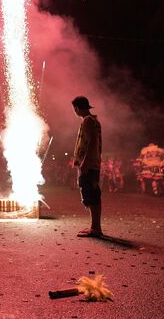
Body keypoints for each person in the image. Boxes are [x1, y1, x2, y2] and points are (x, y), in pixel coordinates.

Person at [71, 96, 103, 237]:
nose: (74, 111)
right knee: (91, 193)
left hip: (89, 164)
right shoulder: (92, 120)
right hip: (91, 163)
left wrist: (84, 163)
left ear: (77, 108)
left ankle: (95, 228)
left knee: (91, 194)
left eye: (75, 108)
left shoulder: (88, 121)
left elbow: (91, 142)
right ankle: (94, 226)